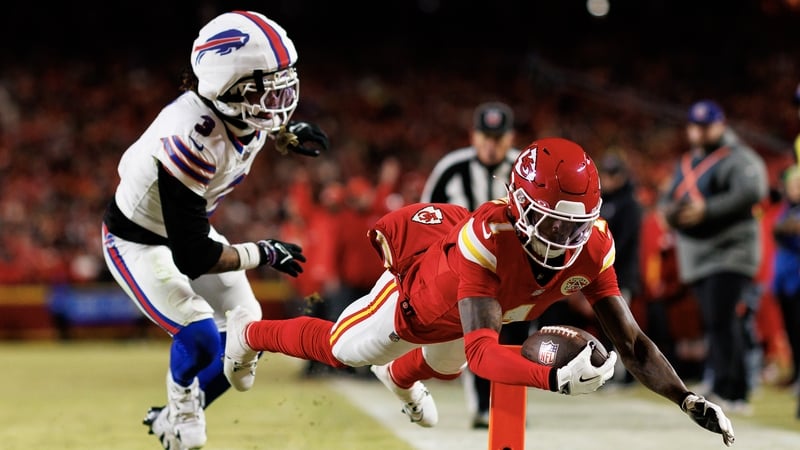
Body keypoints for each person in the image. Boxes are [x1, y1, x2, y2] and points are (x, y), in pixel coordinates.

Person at [224, 137, 735, 447]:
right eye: (550, 224)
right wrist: (551, 377)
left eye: (574, 227)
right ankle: (249, 334)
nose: (563, 240)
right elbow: (484, 355)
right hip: (415, 300)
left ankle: (399, 377)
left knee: (444, 365)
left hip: (469, 317)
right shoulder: (489, 238)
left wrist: (686, 398)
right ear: (519, 206)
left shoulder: (593, 245)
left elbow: (633, 344)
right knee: (344, 349)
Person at [100, 11, 328, 450]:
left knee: (246, 340)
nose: (280, 98)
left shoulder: (240, 111)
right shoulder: (190, 137)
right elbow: (194, 256)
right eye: (267, 87)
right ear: (228, 87)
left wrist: (284, 133)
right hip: (138, 241)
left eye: (284, 82)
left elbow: (252, 123)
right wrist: (263, 252)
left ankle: (173, 416)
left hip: (187, 232)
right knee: (201, 338)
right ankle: (181, 403)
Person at [419, 100, 529, 428]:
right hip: (466, 270)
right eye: (485, 137)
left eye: (498, 138)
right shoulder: (451, 168)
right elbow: (425, 217)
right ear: (473, 136)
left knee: (514, 339)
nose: (491, 145)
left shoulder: (525, 169)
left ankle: (508, 409)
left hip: (516, 272)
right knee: (480, 335)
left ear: (510, 138)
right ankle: (483, 406)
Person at [661, 99, 768, 414]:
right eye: (696, 126)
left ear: (721, 125)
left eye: (707, 126)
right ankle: (726, 383)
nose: (700, 132)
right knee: (716, 321)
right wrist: (671, 214)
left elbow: (752, 190)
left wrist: (707, 210)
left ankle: (732, 388)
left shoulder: (738, 157)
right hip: (700, 256)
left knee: (724, 320)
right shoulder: (687, 162)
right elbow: (667, 200)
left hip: (731, 252)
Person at [597, 151, 643, 384]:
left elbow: (623, 244)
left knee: (621, 327)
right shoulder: (600, 202)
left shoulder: (630, 204)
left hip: (621, 275)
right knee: (606, 325)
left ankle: (623, 375)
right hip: (601, 274)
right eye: (606, 173)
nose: (609, 178)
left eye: (613, 174)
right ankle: (607, 373)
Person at [771, 165, 800, 418]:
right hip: (785, 280)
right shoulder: (785, 209)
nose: (795, 190)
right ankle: (796, 373)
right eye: (792, 185)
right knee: (791, 332)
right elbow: (778, 230)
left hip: (797, 279)